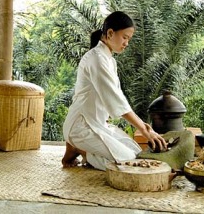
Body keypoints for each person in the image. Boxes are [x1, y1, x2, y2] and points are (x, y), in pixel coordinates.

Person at [61, 11, 167, 171]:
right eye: (125, 37)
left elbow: (117, 99)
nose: (127, 43)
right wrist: (144, 131)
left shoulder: (109, 59)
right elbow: (115, 100)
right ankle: (79, 149)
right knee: (128, 163)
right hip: (81, 126)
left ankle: (80, 148)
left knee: (137, 153)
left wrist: (144, 126)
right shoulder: (96, 59)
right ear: (110, 33)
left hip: (98, 124)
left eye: (129, 39)